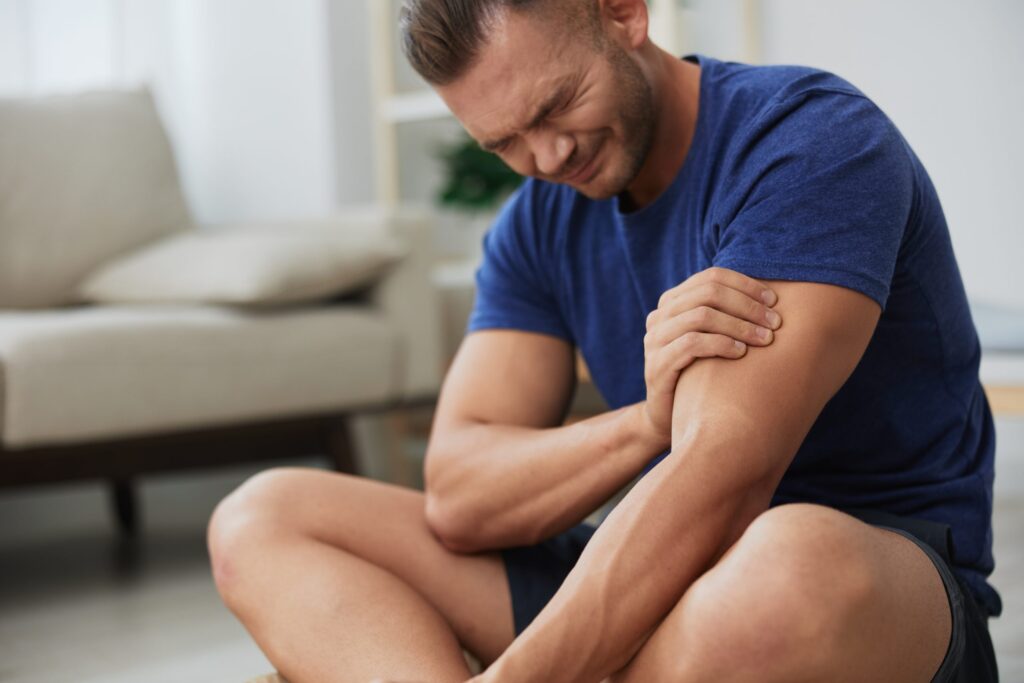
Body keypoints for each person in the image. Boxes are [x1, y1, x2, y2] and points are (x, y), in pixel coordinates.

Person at [207, 0, 1001, 680]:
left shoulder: (809, 142)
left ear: (622, 12)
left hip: (867, 593)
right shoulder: (537, 224)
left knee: (783, 564)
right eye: (505, 143)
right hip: (663, 588)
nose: (548, 156)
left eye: (558, 105)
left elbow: (723, 478)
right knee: (264, 516)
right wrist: (646, 423)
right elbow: (459, 493)